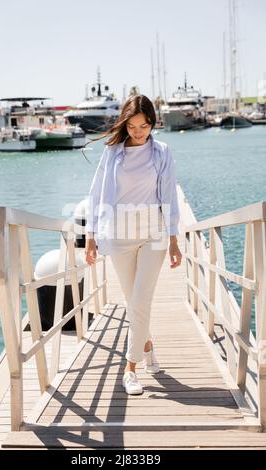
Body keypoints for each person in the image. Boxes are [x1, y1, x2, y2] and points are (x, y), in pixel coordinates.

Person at [84, 94, 182, 395]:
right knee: (132, 301)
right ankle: (148, 345)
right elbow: (95, 194)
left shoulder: (162, 152)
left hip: (154, 235)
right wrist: (91, 236)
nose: (139, 132)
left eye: (145, 125)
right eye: (133, 125)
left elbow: (170, 197)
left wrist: (174, 240)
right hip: (119, 235)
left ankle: (130, 368)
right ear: (124, 123)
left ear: (153, 124)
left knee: (141, 300)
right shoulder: (112, 152)